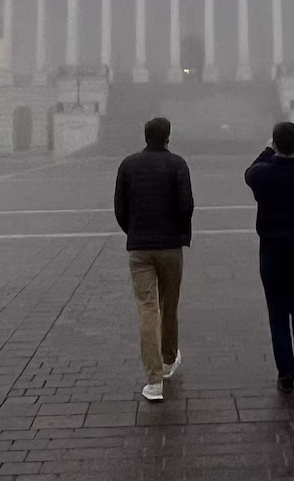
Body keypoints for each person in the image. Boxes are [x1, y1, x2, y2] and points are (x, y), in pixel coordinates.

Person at [114, 116, 194, 402]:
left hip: (140, 247)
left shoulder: (128, 165)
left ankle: (154, 380)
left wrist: (134, 231)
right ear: (168, 137)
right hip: (170, 247)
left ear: (145, 136)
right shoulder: (178, 164)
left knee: (147, 309)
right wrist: (177, 232)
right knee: (169, 304)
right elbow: (186, 205)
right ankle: (169, 359)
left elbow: (120, 207)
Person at [244, 120, 294, 391]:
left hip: (272, 248)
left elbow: (249, 172)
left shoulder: (262, 174)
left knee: (277, 311)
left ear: (275, 143)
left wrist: (268, 150)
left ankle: (285, 372)